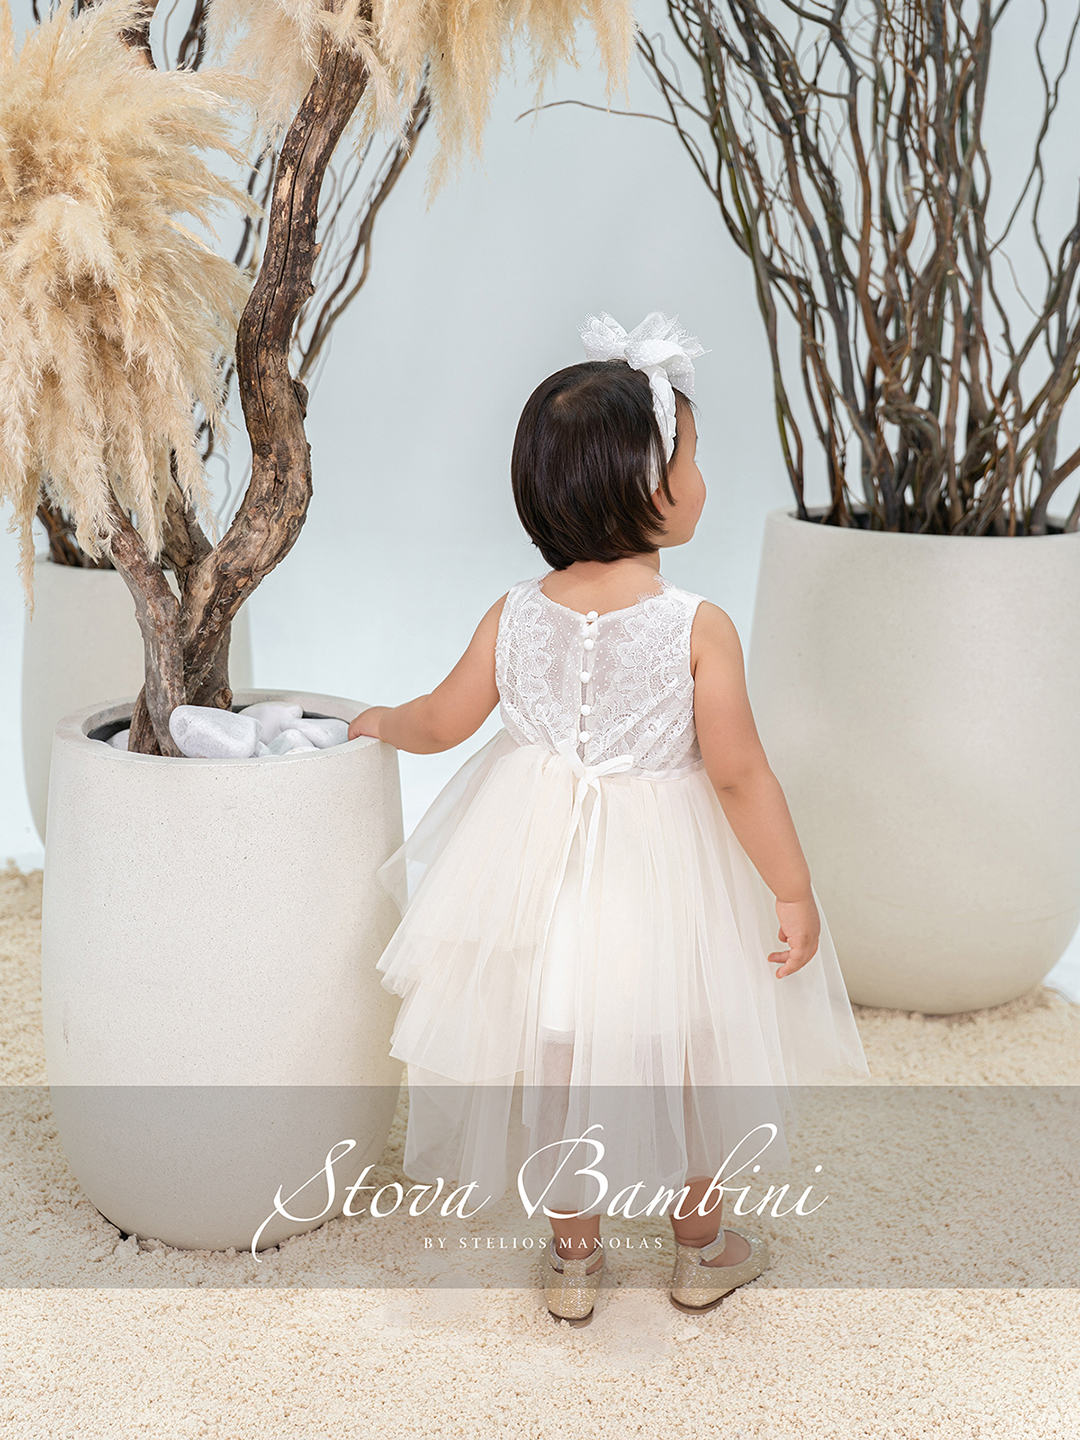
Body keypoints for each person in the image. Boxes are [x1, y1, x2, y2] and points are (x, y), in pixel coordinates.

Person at [348, 312, 871, 1325]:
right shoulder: (697, 628)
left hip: (538, 886)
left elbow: (442, 721)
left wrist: (382, 721)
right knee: (692, 1058)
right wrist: (792, 888)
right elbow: (739, 776)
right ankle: (700, 1247)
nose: (701, 477)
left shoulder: (514, 613)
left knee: (560, 1060)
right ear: (650, 487)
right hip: (666, 891)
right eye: (691, 458)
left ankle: (573, 1260)